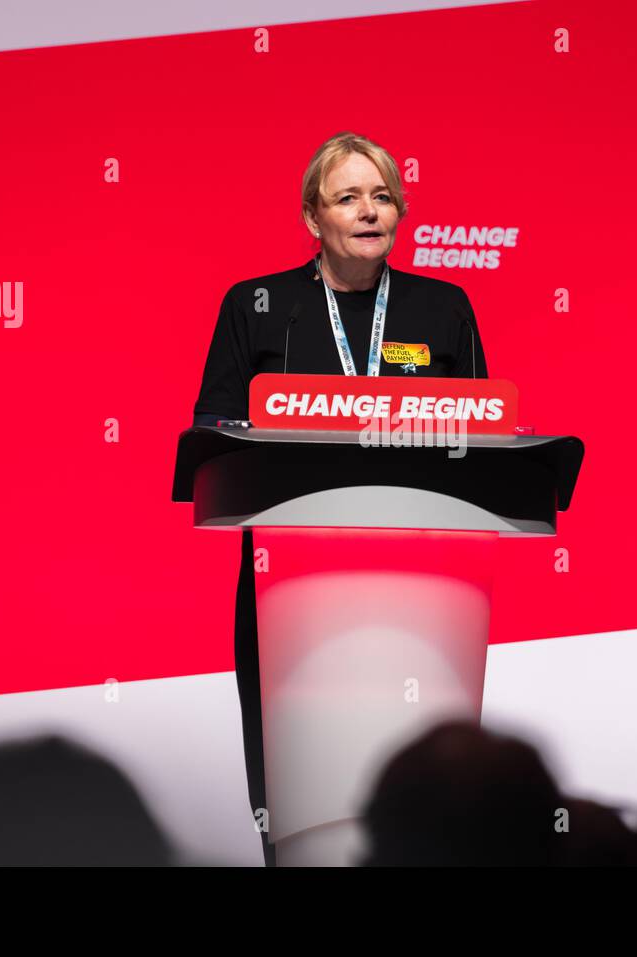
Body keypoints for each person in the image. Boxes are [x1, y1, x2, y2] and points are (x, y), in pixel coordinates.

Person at [189, 131, 489, 866]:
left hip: (423, 583)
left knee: (426, 775)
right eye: (347, 196)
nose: (367, 210)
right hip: (288, 582)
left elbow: (487, 436)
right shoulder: (259, 306)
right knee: (296, 774)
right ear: (311, 216)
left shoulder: (443, 308)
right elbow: (213, 429)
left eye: (382, 195)